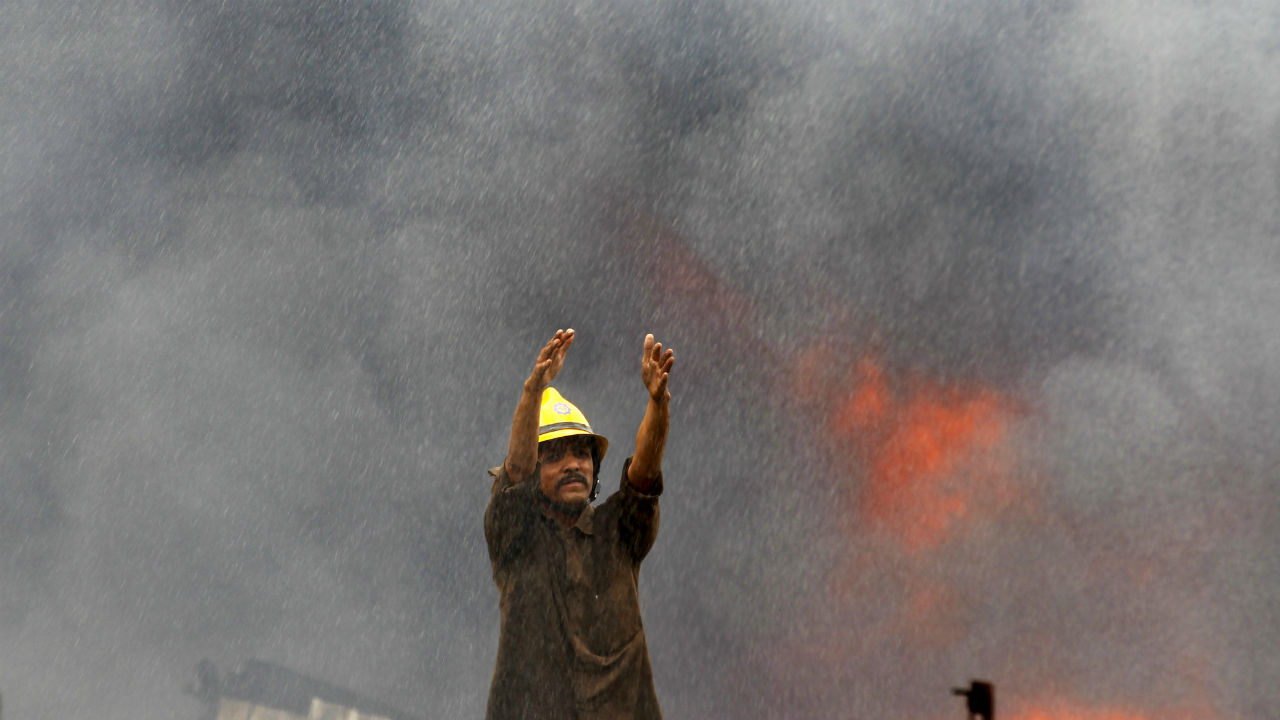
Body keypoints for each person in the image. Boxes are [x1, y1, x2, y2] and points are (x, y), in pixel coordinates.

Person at [484, 328, 674, 720]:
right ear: (536, 473)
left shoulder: (618, 533)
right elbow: (516, 471)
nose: (573, 464)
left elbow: (643, 476)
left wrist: (658, 404)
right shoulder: (515, 537)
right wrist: (533, 390)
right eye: (555, 456)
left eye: (582, 454)